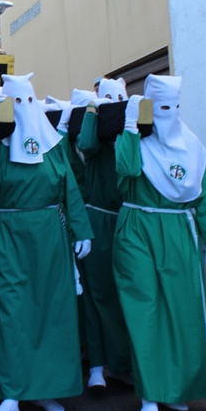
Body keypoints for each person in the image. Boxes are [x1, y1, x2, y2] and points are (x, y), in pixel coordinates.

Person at [0, 73, 93, 411]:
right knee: (9, 309)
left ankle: (47, 388)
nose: (22, 109)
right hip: (5, 232)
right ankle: (10, 392)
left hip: (50, 234)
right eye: (14, 103)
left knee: (50, 311)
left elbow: (70, 189)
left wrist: (82, 231)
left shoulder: (53, 144)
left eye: (27, 101)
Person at [114, 76, 206, 411]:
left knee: (182, 312)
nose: (169, 115)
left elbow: (204, 195)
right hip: (138, 229)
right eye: (161, 108)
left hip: (178, 231)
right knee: (143, 310)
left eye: (175, 107)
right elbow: (126, 170)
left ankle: (178, 387)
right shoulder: (134, 142)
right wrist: (131, 127)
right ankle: (150, 393)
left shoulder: (192, 147)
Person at [75, 78, 134, 389]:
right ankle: (97, 365)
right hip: (98, 220)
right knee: (98, 296)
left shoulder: (132, 135)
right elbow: (85, 143)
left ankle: (123, 362)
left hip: (129, 221)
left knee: (126, 296)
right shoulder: (96, 137)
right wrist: (94, 110)